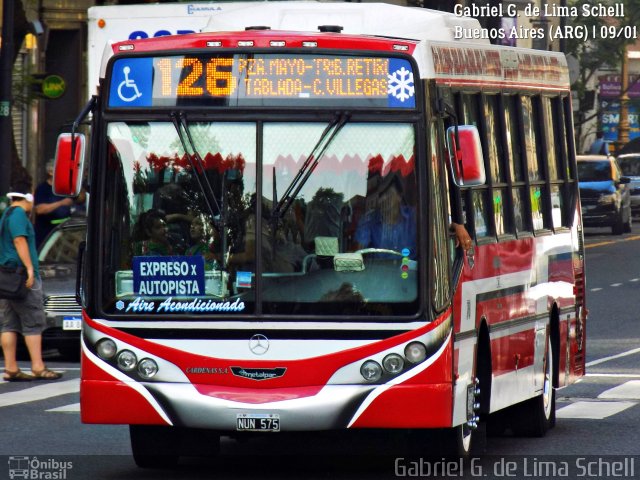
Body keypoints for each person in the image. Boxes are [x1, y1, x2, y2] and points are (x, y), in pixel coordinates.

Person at [0, 184, 62, 381]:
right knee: (33, 322)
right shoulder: (19, 215)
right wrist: (29, 268)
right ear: (28, 198)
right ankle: (38, 366)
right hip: (21, 278)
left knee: (9, 324)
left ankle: (11, 367)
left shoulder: (7, 214)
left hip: (7, 278)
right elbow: (20, 241)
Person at [34, 160, 74, 247]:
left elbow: (81, 198)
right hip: (47, 234)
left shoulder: (65, 188)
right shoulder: (42, 189)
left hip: (65, 234)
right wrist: (61, 203)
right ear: (50, 172)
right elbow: (39, 210)